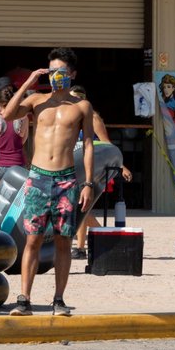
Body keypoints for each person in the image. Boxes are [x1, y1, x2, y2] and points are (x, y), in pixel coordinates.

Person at [2, 47, 94, 317]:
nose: (56, 76)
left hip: (66, 179)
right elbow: (7, 115)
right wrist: (29, 84)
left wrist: (88, 183)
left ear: (72, 74)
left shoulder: (81, 106)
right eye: (52, 71)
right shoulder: (36, 101)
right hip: (38, 177)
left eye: (61, 72)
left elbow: (88, 143)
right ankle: (24, 299)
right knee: (33, 240)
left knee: (63, 241)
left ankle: (59, 299)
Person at [69, 85, 131, 259]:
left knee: (82, 206)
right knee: (78, 207)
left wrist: (121, 166)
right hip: (75, 166)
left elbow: (107, 144)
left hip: (94, 168)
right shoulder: (70, 118)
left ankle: (81, 247)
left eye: (76, 99)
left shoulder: (94, 118)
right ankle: (105, 235)